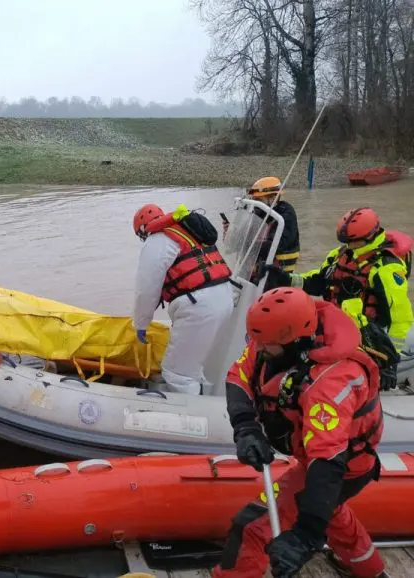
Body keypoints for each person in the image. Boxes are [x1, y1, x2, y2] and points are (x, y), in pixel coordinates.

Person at [213, 287, 386, 578]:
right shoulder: (272, 338)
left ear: (295, 339)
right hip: (317, 459)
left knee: (252, 526)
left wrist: (305, 536)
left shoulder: (329, 384)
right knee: (332, 514)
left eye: (266, 345)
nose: (259, 349)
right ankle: (373, 571)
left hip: (344, 467)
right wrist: (246, 427)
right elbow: (239, 375)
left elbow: (327, 464)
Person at [261, 207, 413, 388]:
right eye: (346, 241)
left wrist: (390, 361)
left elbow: (400, 319)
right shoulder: (339, 255)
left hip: (364, 335)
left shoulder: (386, 270)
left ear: (368, 237)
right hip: (332, 323)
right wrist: (286, 278)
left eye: (352, 241)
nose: (348, 245)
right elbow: (317, 280)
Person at [132, 203, 235, 395]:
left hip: (200, 306)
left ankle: (191, 418)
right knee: (195, 364)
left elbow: (145, 290)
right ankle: (204, 397)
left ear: (143, 230)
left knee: (177, 373)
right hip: (225, 298)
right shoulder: (190, 231)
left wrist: (141, 324)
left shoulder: (157, 239)